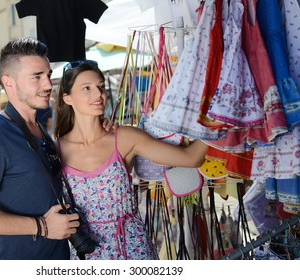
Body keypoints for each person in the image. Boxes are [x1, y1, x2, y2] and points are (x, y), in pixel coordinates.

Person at [0, 38, 116, 260]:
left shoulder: (38, 128)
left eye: (48, 75)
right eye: (36, 77)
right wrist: (41, 226)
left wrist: (103, 130)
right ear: (8, 83)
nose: (49, 84)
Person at [55, 60, 208, 260]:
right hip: (86, 254)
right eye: (86, 88)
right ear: (67, 98)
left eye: (100, 86)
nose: (98, 94)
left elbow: (191, 158)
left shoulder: (125, 138)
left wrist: (216, 120)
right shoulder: (54, 150)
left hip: (132, 250)